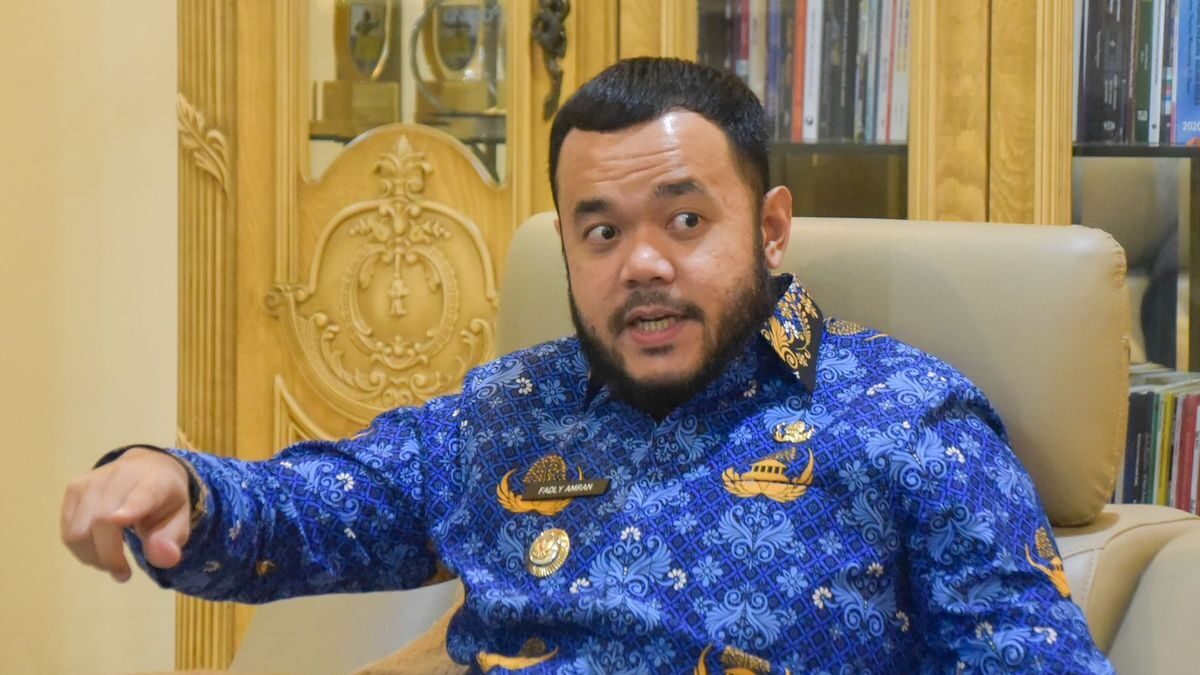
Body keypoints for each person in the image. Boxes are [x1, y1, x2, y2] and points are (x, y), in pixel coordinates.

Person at [61, 57, 1114, 673]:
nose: (642, 264)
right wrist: (178, 484)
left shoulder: (909, 422)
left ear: (771, 228)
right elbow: (316, 509)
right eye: (601, 231)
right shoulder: (506, 412)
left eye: (685, 220)